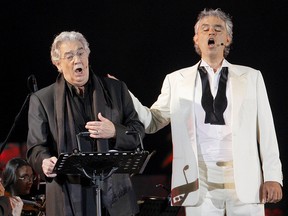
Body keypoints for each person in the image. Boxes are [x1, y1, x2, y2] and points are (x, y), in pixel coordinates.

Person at [124, 8, 283, 216]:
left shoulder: (251, 77)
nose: (211, 33)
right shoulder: (176, 80)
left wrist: (273, 176)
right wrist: (125, 95)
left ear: (227, 39)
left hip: (244, 178)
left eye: (218, 29)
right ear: (196, 39)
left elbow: (267, 131)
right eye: (205, 29)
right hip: (198, 181)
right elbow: (153, 121)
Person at [26, 31, 145, 216]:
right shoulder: (42, 99)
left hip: (115, 197)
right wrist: (44, 161)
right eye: (69, 56)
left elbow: (138, 132)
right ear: (58, 64)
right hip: (68, 194)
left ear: (88, 56)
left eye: (81, 53)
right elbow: (36, 148)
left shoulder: (116, 89)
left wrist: (115, 131)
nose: (77, 60)